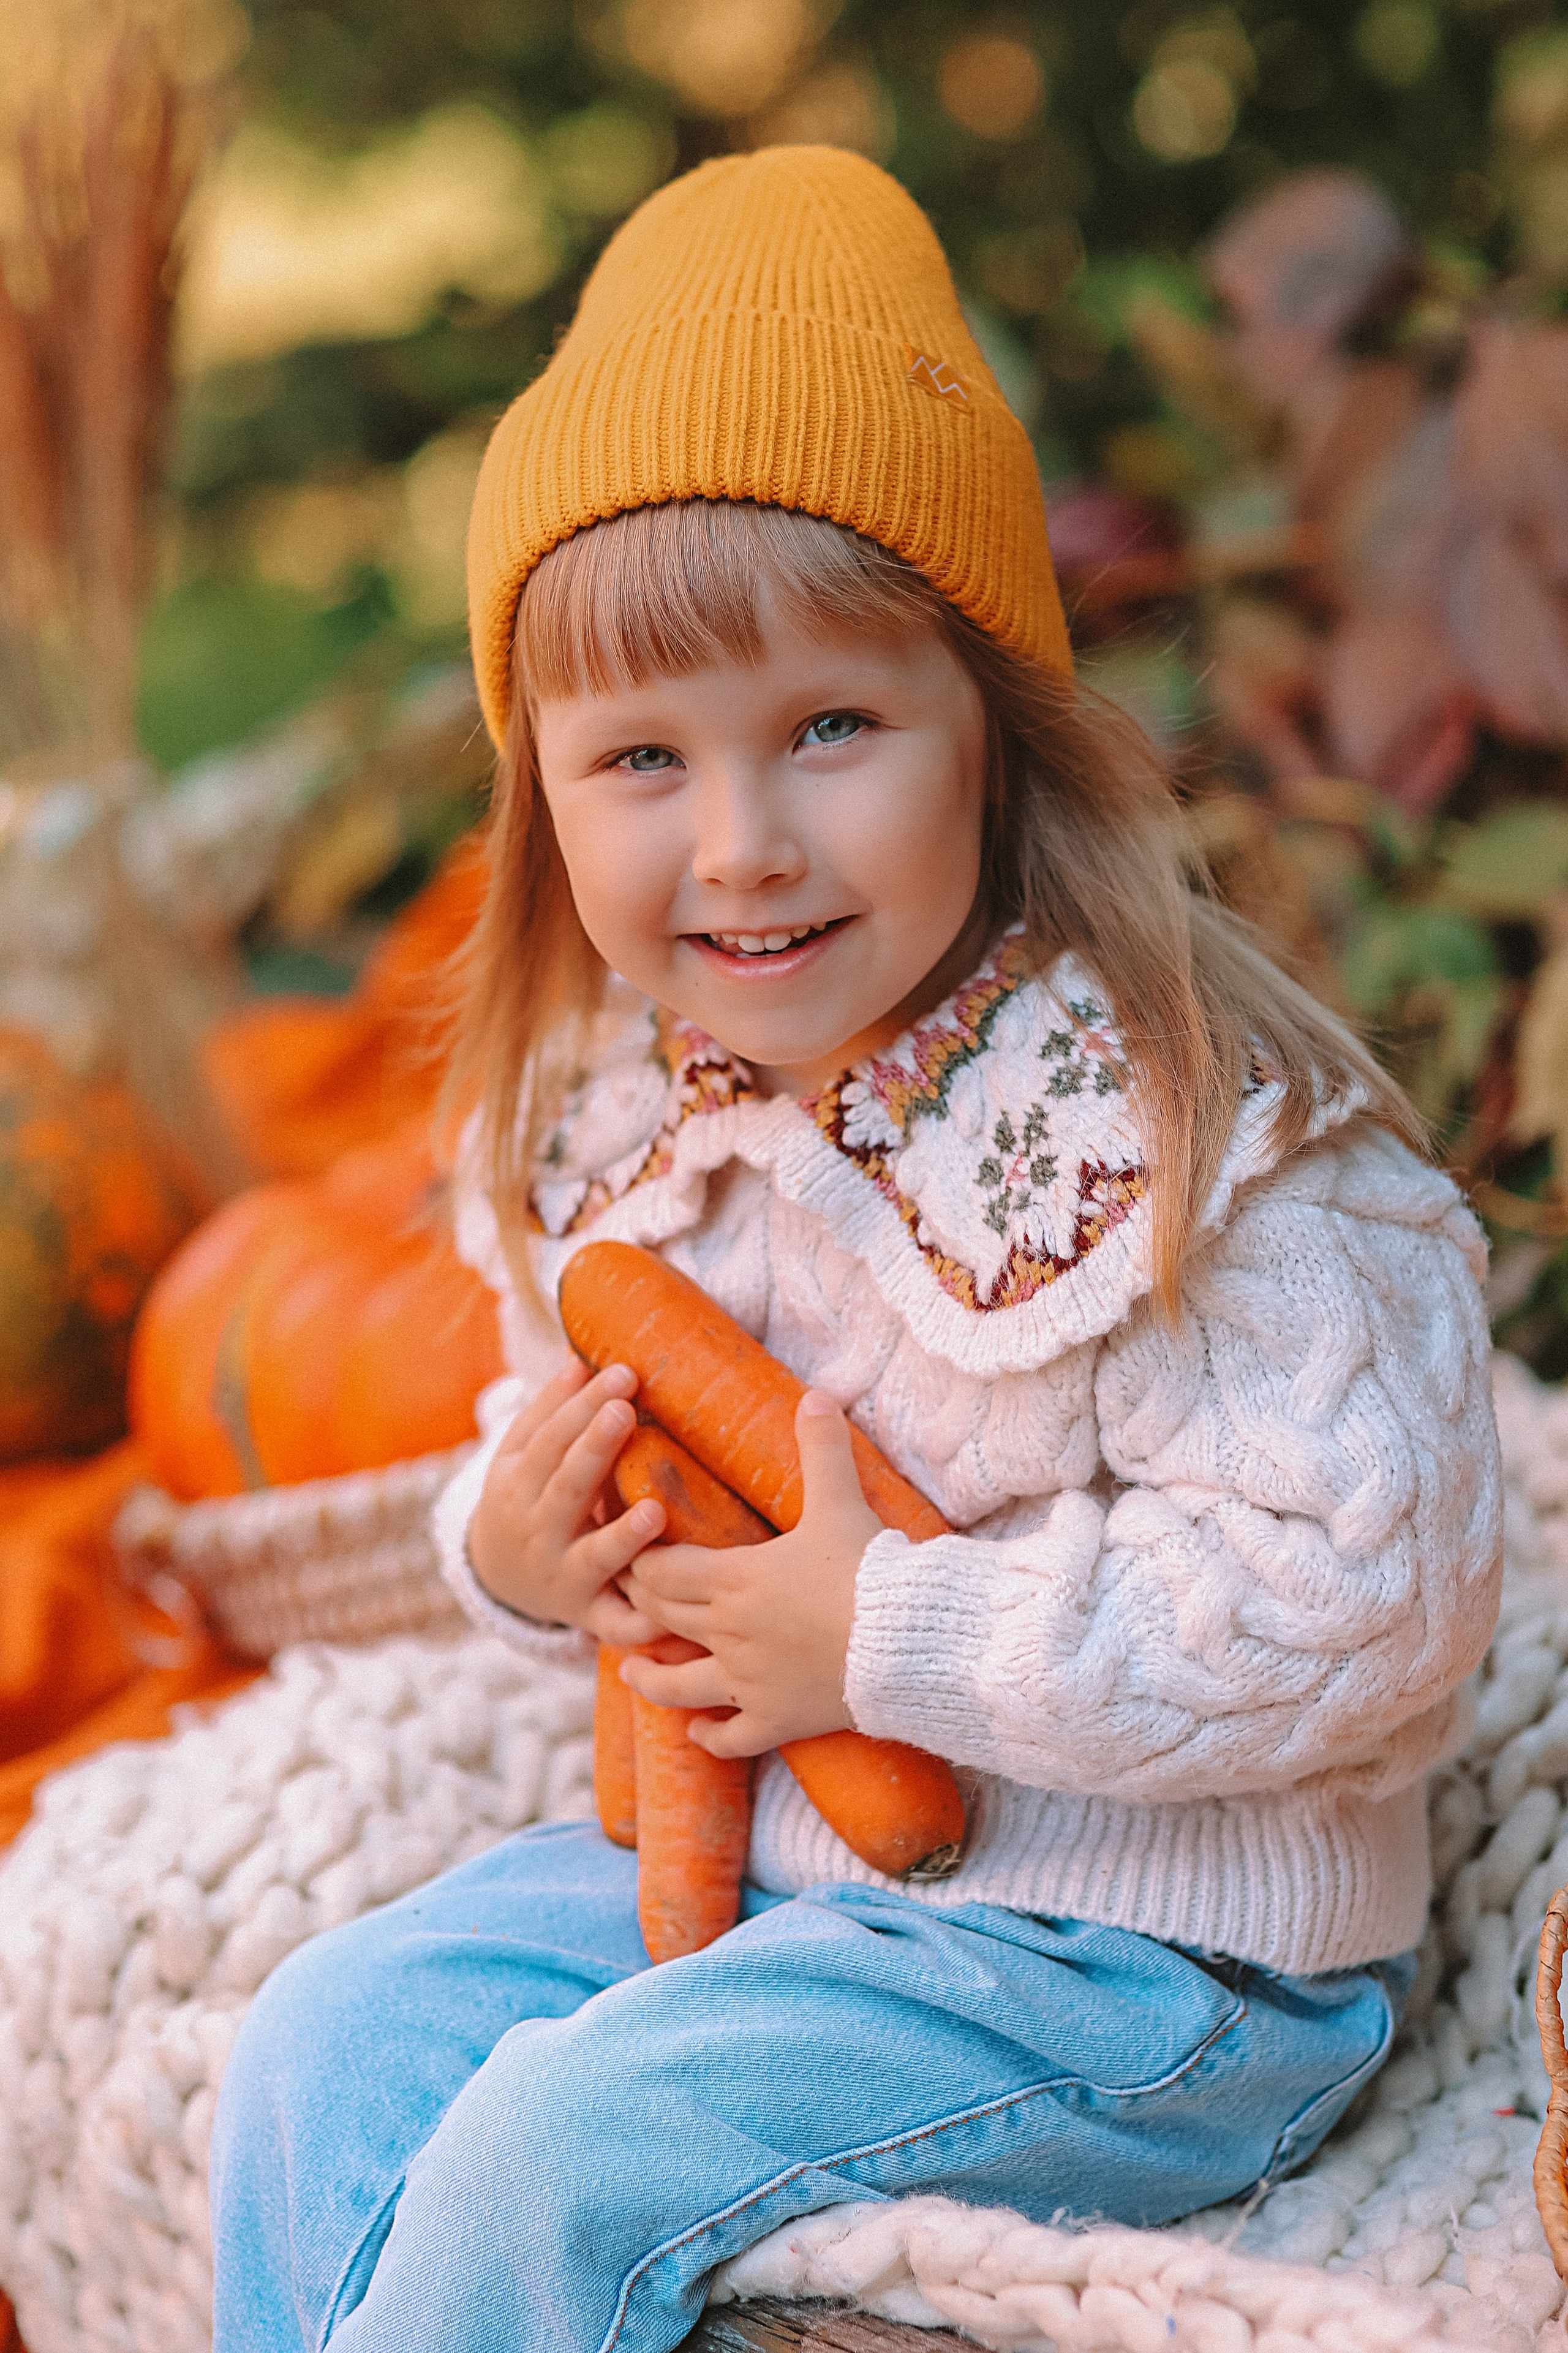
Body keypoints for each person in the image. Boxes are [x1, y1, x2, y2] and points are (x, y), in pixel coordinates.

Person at [209, 146, 1502, 2353]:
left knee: (558, 2155)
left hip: (1147, 1959)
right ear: (540, 790)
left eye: (830, 726)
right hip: (769, 1900)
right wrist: (523, 1549)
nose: (740, 845)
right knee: (320, 2046)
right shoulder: (627, 1109)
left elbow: (1371, 1602)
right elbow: (589, 1446)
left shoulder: (1175, 1135)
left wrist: (882, 1636)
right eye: (640, 756)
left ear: (987, 727)